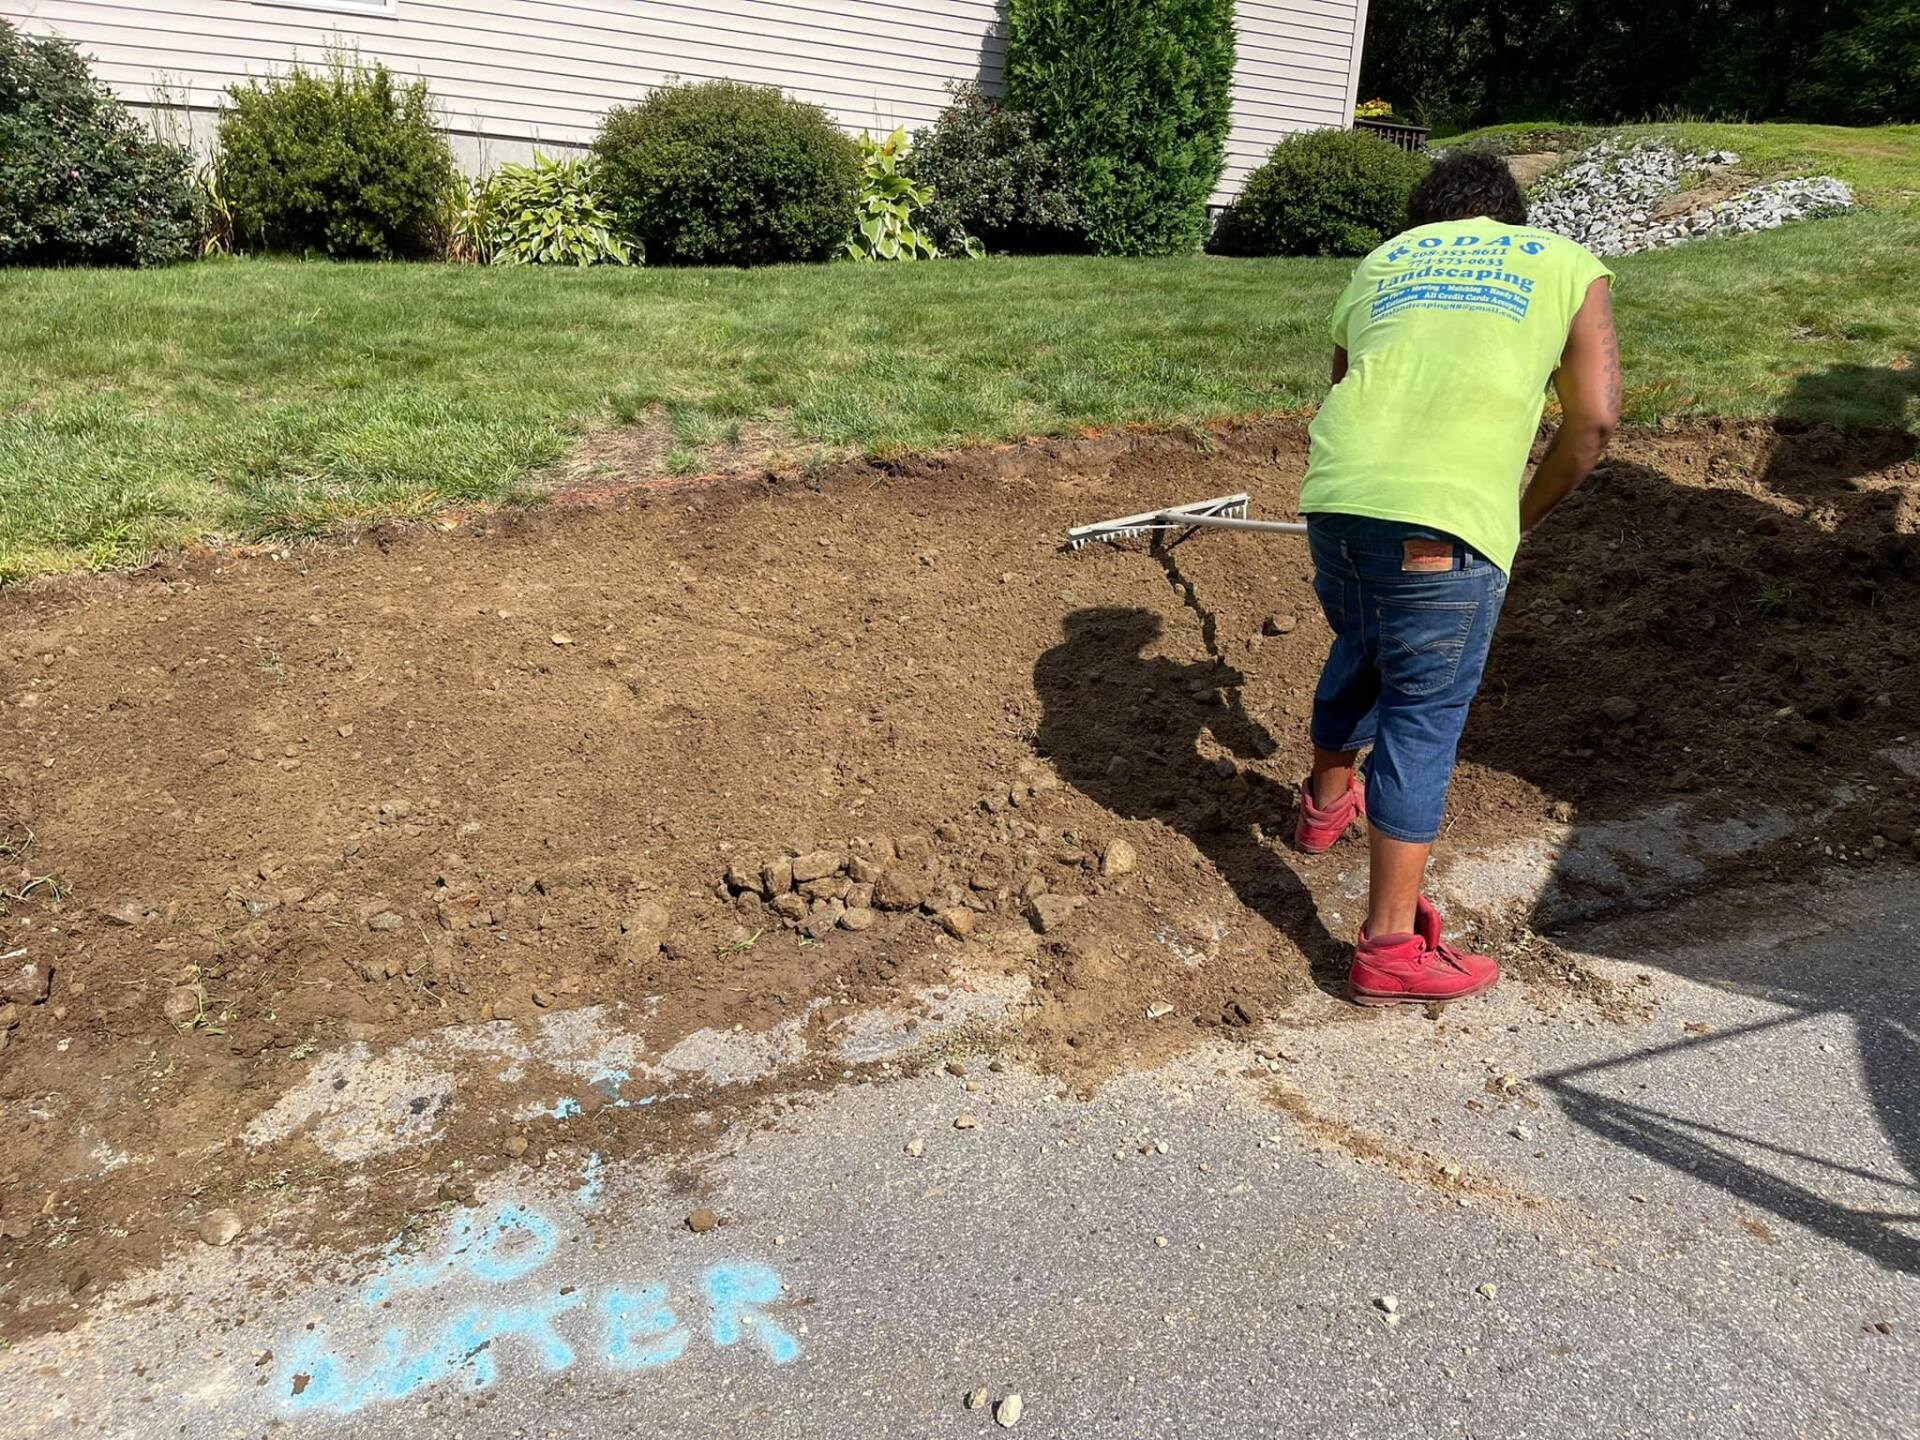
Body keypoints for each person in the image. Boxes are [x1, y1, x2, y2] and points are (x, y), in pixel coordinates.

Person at [1293, 149, 1621, 1006]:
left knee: (1362, 638)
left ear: (1423, 220)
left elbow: (1343, 386)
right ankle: (1390, 947)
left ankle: (1326, 805)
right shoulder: (1564, 264)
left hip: (1337, 500)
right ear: (1509, 218)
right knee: (1423, 714)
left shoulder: (1382, 262)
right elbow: (1593, 423)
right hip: (1445, 527)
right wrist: (1515, 518)